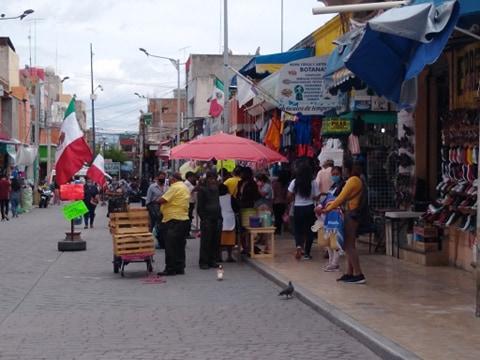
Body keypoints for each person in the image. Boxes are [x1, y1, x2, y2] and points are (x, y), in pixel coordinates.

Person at [321, 161, 366, 284]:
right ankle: (349, 273)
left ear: (348, 169)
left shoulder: (353, 181)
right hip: (350, 214)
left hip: (352, 215)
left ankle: (358, 273)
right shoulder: (355, 180)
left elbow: (341, 197)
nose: (343, 172)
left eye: (344, 169)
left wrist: (327, 209)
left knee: (348, 245)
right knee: (348, 245)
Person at [157, 172, 191, 276]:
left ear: (174, 179)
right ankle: (180, 267)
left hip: (173, 219)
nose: (169, 181)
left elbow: (163, 199)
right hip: (184, 219)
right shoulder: (185, 187)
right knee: (180, 245)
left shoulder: (174, 187)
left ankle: (170, 269)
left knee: (170, 245)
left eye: (170, 179)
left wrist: (157, 200)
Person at [287, 161, 320, 260]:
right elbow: (317, 196)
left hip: (298, 207)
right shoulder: (313, 182)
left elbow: (288, 195)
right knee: (310, 230)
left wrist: (293, 199)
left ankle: (298, 246)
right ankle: (307, 253)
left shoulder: (294, 182)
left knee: (298, 230)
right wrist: (313, 197)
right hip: (309, 207)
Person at [318, 166, 345, 272]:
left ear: (341, 174)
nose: (334, 176)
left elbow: (341, 200)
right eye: (333, 174)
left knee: (336, 240)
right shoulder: (332, 186)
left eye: (336, 174)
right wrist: (320, 206)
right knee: (329, 241)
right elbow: (326, 200)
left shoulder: (343, 186)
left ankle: (335, 263)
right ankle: (331, 261)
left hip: (337, 215)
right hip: (329, 215)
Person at [197, 171, 222, 269]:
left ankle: (213, 260)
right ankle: (204, 262)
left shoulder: (216, 189)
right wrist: (204, 218)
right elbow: (200, 207)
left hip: (216, 217)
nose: (212, 181)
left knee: (215, 241)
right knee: (206, 241)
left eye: (214, 179)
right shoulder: (202, 190)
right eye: (210, 179)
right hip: (207, 219)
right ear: (207, 179)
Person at [218, 183, 238, 262]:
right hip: (230, 220)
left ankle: (219, 256)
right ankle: (229, 256)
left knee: (220, 240)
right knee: (230, 240)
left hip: (220, 219)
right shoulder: (231, 197)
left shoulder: (216, 198)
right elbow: (236, 208)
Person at [272, 170, 289, 234]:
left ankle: (277, 230)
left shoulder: (275, 183)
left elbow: (274, 194)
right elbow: (286, 195)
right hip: (283, 202)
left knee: (277, 217)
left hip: (276, 202)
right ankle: (281, 230)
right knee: (281, 217)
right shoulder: (285, 184)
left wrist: (272, 202)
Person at [184, 171, 198, 238]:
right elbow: (192, 190)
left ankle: (187, 232)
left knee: (189, 217)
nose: (194, 178)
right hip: (188, 202)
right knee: (188, 218)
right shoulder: (187, 183)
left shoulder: (190, 183)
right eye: (193, 177)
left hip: (191, 202)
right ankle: (187, 233)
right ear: (189, 177)